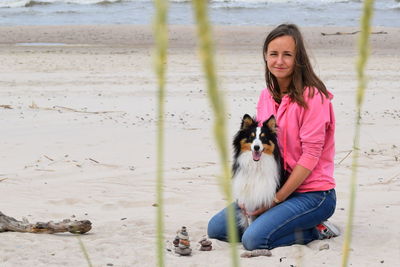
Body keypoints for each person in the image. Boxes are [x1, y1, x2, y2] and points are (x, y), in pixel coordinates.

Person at [207, 24, 339, 250]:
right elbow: (262, 151)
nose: (279, 61)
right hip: (274, 186)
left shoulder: (313, 97)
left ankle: (316, 229)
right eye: (273, 54)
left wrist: (274, 201)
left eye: (287, 55)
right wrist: (249, 193)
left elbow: (310, 156)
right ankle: (281, 221)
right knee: (217, 229)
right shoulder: (266, 96)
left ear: (299, 59)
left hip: (314, 195)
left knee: (254, 240)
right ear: (265, 57)